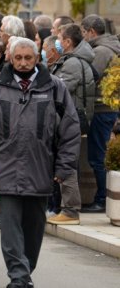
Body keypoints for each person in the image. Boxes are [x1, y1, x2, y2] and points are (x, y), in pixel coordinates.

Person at [0, 37, 79, 288]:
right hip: (4, 168)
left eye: (29, 58)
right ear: (10, 58)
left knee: (34, 227)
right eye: (19, 58)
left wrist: (63, 167)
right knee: (10, 225)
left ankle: (24, 270)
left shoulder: (55, 87)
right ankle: (18, 276)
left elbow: (70, 130)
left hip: (41, 169)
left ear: (37, 58)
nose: (24, 63)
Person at [47, 24, 95, 225]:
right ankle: (63, 208)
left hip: (70, 120)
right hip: (68, 119)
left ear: (67, 42)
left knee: (67, 166)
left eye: (59, 37)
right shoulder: (71, 61)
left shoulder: (73, 63)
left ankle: (70, 211)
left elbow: (59, 89)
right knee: (66, 164)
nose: (56, 41)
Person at [81, 14, 120, 213]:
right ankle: (102, 197)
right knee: (99, 154)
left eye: (83, 32)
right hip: (107, 108)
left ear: (91, 32)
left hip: (101, 109)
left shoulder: (101, 51)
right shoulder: (109, 46)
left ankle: (102, 199)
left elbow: (90, 78)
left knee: (97, 156)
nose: (83, 37)